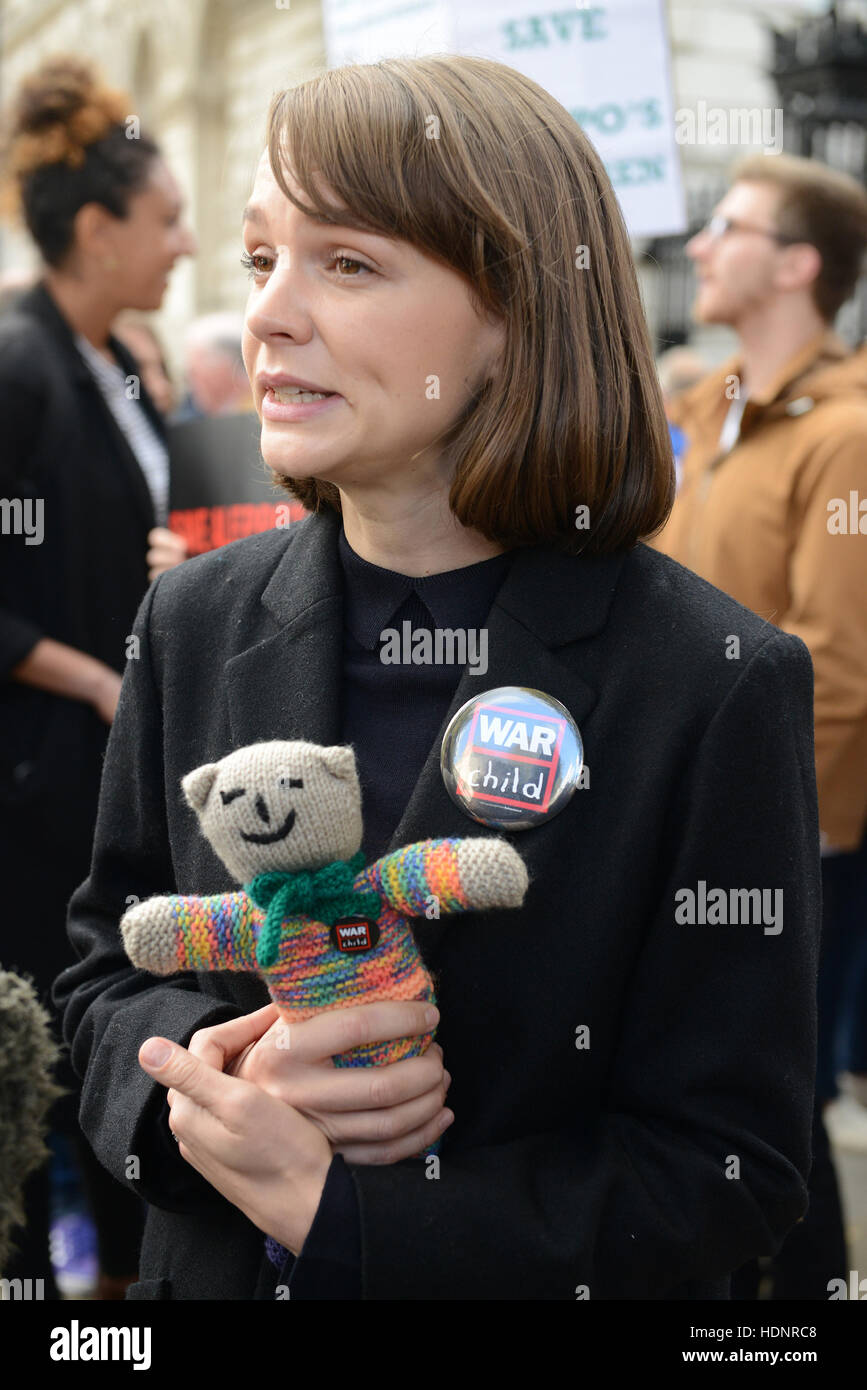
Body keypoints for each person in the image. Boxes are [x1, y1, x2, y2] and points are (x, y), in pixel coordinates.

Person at [55, 55, 821, 1301]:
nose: (268, 315)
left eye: (346, 263)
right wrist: (215, 1070)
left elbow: (729, 1170)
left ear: (520, 306)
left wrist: (350, 1220)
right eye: (260, 260)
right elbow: (101, 968)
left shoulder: (710, 678)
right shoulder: (192, 614)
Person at [650, 152, 867, 1298]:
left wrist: (787, 830)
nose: (696, 247)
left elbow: (840, 664)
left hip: (790, 834)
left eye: (726, 228)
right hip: (679, 817)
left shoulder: (848, 433)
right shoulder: (702, 411)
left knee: (774, 1094)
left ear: (796, 264)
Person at [0, 55, 196, 1297]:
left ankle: (122, 1290)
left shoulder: (112, 356)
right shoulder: (18, 364)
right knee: (48, 1060)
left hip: (102, 769)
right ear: (96, 228)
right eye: (167, 220)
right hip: (36, 787)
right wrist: (97, 679)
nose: (185, 246)